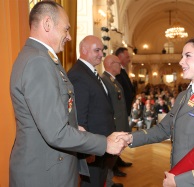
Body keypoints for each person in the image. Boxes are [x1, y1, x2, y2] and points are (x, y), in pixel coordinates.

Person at [9, 2, 126, 187]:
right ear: (48, 24)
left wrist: (77, 132)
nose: (69, 37)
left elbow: (53, 119)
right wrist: (105, 144)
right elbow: (56, 133)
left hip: (52, 167)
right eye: (66, 29)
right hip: (44, 175)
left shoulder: (42, 59)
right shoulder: (38, 62)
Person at [117, 36, 194, 187]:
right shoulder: (184, 96)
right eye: (182, 56)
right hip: (179, 176)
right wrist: (130, 138)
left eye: (188, 56)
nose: (181, 62)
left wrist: (180, 181)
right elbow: (163, 129)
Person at [68, 35, 118, 187]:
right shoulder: (78, 74)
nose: (101, 55)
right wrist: (86, 150)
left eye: (102, 50)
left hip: (100, 145)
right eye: (97, 50)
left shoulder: (90, 72)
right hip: (93, 147)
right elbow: (79, 118)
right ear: (84, 50)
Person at [101, 55, 131, 187]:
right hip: (113, 126)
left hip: (119, 124)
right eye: (118, 64)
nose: (121, 66)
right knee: (109, 159)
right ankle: (107, 183)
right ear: (111, 64)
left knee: (112, 159)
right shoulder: (105, 80)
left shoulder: (112, 80)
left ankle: (109, 181)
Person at [114, 47, 134, 176]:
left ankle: (118, 160)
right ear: (120, 57)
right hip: (119, 112)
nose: (129, 59)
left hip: (125, 110)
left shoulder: (122, 70)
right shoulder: (116, 73)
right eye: (127, 57)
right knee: (117, 138)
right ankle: (114, 165)